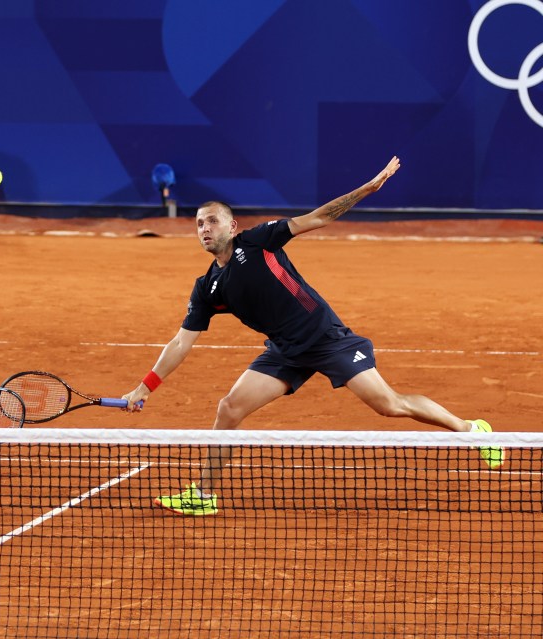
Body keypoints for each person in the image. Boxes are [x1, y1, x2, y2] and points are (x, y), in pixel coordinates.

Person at [121, 156, 502, 516]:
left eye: (213, 222)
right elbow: (180, 342)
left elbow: (317, 218)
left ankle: (471, 429)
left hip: (325, 338)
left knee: (389, 404)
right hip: (285, 351)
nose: (205, 229)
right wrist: (145, 386)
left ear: (232, 226)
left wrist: (367, 189)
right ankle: (203, 495)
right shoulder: (207, 287)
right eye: (200, 224)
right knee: (229, 408)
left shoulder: (258, 241)